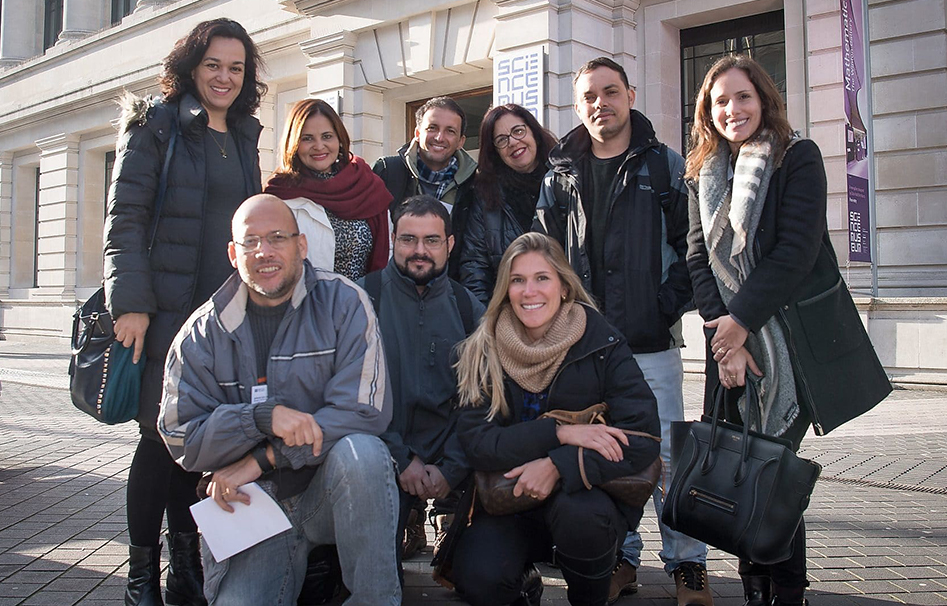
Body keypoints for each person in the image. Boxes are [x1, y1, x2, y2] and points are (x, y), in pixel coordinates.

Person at [684, 54, 891, 606]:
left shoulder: (795, 157)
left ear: (764, 99)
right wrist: (723, 339)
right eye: (720, 101)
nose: (732, 109)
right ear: (707, 110)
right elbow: (697, 259)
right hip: (728, 339)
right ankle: (756, 582)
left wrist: (739, 324)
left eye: (742, 97)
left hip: (789, 341)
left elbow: (795, 251)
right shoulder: (702, 170)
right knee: (745, 458)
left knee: (771, 464)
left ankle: (786, 588)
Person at [157, 194, 401, 606]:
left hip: (325, 489)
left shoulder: (344, 302)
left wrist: (264, 458)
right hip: (248, 503)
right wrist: (259, 418)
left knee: (366, 455)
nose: (264, 252)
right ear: (234, 254)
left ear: (301, 246)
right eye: (250, 242)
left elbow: (365, 411)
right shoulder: (201, 333)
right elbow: (182, 439)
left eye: (277, 238)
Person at [534, 57, 711, 605]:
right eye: (589, 95)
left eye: (610, 92)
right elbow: (545, 255)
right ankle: (621, 560)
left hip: (650, 344)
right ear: (578, 102)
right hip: (581, 349)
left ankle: (688, 566)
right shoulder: (558, 174)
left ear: (630, 95)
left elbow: (693, 248)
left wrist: (660, 309)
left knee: (667, 454)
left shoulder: (664, 166)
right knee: (609, 453)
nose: (599, 104)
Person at [103, 18, 265, 606]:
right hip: (166, 315)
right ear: (192, 65)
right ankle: (141, 575)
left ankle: (186, 569)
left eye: (236, 67)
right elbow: (124, 222)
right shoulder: (155, 124)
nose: (224, 77)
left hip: (223, 321)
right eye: (214, 64)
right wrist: (132, 306)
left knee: (197, 443)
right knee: (156, 439)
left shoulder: (245, 134)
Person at [452, 232, 661, 606]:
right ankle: (524, 585)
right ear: (506, 288)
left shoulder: (602, 341)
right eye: (518, 280)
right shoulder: (482, 348)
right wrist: (559, 433)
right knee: (479, 579)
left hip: (581, 500)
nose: (529, 291)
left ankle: (588, 598)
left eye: (542, 278)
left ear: (564, 287)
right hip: (507, 499)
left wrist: (557, 465)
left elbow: (642, 438)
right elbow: (477, 443)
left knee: (582, 519)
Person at [357, 195, 484, 578]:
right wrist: (401, 459)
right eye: (409, 239)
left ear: (450, 244)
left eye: (431, 240)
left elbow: (482, 401)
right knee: (376, 578)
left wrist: (451, 467)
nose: (419, 251)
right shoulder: (362, 298)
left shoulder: (469, 309)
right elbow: (352, 396)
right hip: (382, 456)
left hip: (453, 462)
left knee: (480, 578)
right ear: (393, 239)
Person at [264, 98, 393, 281]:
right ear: (293, 144)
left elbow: (388, 251)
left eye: (327, 136)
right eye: (307, 138)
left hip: (364, 303)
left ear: (339, 139)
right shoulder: (277, 197)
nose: (319, 146)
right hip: (305, 305)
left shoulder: (367, 185)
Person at [460, 104, 558, 304]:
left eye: (518, 131)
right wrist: (488, 321)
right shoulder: (485, 195)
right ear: (494, 151)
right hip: (512, 312)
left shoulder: (565, 180)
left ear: (534, 132)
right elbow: (474, 265)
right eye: (501, 140)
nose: (513, 142)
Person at [373, 96, 477, 280]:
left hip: (446, 294)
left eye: (450, 131)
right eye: (432, 128)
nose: (439, 137)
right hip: (389, 290)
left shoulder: (475, 184)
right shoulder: (387, 172)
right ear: (418, 133)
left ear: (461, 141)